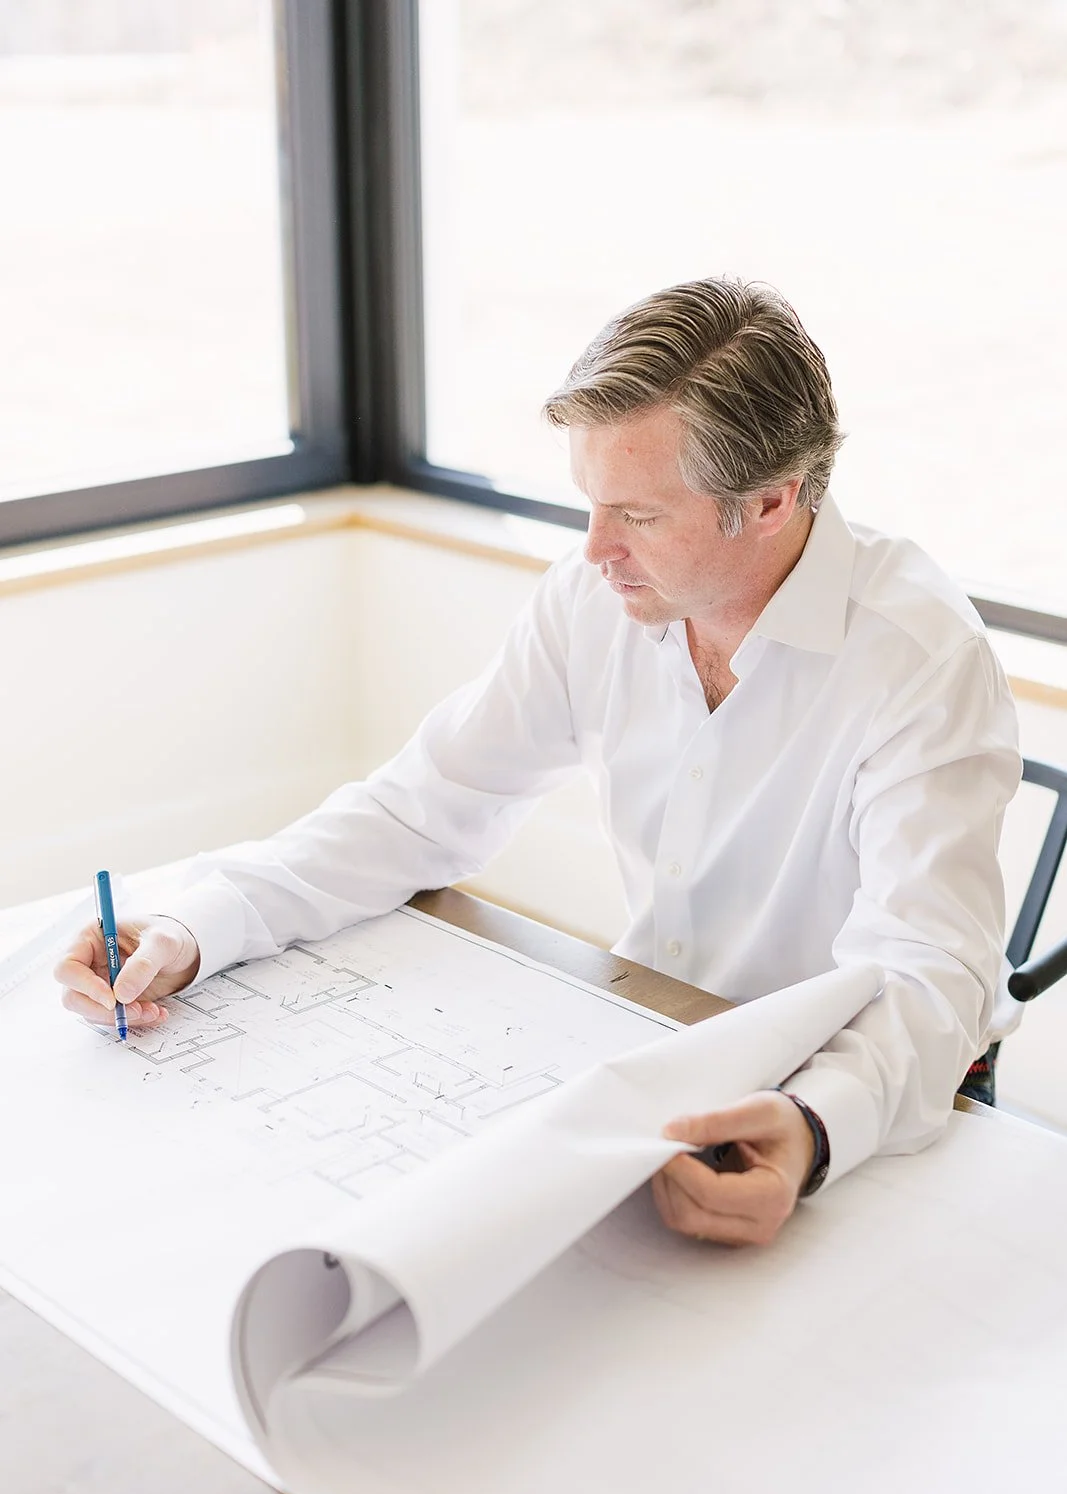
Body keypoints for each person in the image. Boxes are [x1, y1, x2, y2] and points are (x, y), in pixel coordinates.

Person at [54, 277, 1021, 1248]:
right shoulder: (595, 598)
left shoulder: (918, 659)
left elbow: (927, 974)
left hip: (849, 1099)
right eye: (588, 504)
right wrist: (197, 921)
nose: (593, 548)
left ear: (768, 501)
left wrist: (814, 1127)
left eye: (635, 514)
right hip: (655, 1044)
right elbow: (418, 811)